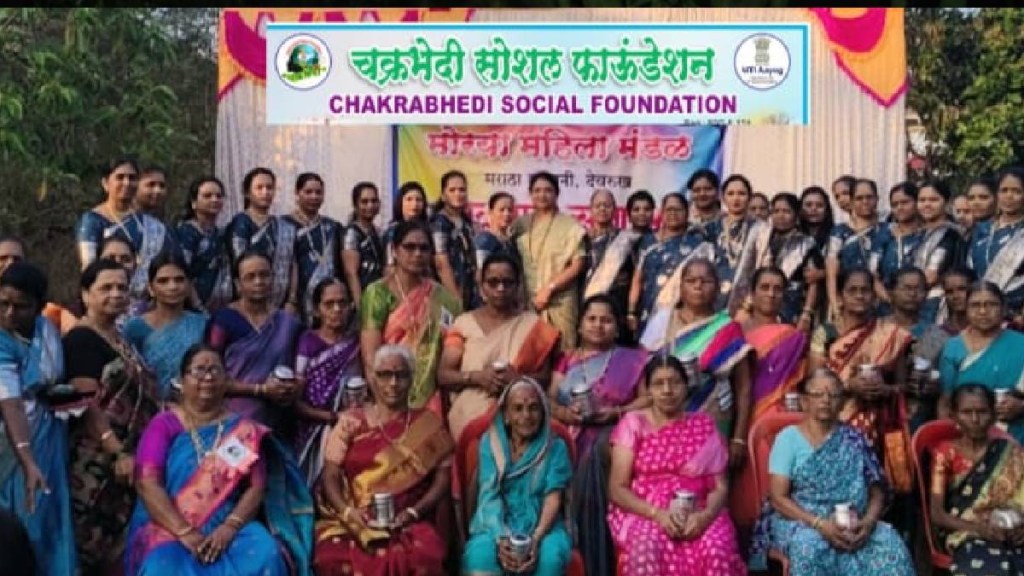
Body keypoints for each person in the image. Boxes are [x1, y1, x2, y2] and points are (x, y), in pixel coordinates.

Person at [124, 344, 312, 575]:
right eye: (199, 370)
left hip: (230, 525)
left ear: (226, 381)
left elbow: (256, 487)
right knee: (161, 567)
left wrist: (230, 527)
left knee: (267, 552)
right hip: (171, 525)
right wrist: (184, 532)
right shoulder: (163, 424)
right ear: (182, 381)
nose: (208, 377)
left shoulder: (243, 430)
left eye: (215, 370)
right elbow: (147, 483)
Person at [748, 367, 915, 576]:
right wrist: (820, 524)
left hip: (854, 522)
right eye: (818, 394)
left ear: (842, 403)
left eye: (833, 395)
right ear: (804, 402)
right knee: (808, 549)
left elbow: (877, 490)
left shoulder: (855, 438)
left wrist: (868, 523)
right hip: (804, 522)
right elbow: (778, 498)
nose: (826, 400)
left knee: (891, 543)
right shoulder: (788, 439)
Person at [312, 344, 454, 576]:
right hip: (356, 520)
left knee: (423, 556)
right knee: (331, 556)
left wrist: (414, 512)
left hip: (409, 520)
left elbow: (443, 479)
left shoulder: (429, 424)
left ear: (412, 378)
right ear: (372, 378)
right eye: (385, 375)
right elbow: (331, 474)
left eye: (401, 375)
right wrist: (347, 512)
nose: (393, 383)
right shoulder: (350, 422)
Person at [607, 354, 747, 575]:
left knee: (717, 550)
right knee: (645, 551)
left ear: (686, 386)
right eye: (658, 384)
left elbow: (719, 487)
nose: (667, 390)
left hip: (700, 510)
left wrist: (704, 517)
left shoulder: (704, 425)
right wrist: (657, 514)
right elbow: (618, 488)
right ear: (648, 391)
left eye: (674, 382)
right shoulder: (633, 424)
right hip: (645, 511)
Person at [63, 259, 161, 574]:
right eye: (106, 287)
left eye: (122, 287)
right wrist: (116, 450)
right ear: (85, 294)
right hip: (95, 459)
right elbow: (86, 403)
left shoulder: (119, 337)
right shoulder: (81, 339)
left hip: (127, 455)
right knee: (92, 542)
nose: (116, 294)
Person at [549, 294, 650, 576]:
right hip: (569, 437)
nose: (598, 325)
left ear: (617, 328)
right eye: (591, 319)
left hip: (615, 440)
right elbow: (549, 398)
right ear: (580, 325)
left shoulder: (633, 359)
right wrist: (565, 413)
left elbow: (648, 399)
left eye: (606, 320)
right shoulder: (567, 359)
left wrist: (616, 413)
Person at [0, 262, 77, 575]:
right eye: (3, 303)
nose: (9, 313)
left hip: (49, 439)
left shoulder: (47, 330)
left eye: (21, 306)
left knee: (50, 521)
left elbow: (49, 381)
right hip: (13, 446)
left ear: (40, 306)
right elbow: (11, 402)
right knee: (20, 524)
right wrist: (28, 460)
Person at [640, 258, 754, 464]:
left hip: (711, 413)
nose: (698, 286)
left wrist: (739, 437)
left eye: (706, 281)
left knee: (705, 476)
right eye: (691, 280)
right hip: (662, 414)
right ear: (681, 286)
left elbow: (743, 387)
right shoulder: (663, 320)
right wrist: (646, 415)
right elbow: (643, 371)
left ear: (718, 288)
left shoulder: (728, 328)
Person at [438, 254, 560, 442]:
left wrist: (517, 380)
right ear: (482, 286)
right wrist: (477, 377)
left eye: (507, 282)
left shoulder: (533, 325)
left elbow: (544, 377)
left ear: (517, 286)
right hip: (469, 417)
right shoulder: (463, 324)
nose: (500, 288)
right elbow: (444, 375)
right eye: (493, 282)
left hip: (519, 421)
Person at [462, 377, 573, 576]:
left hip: (544, 525)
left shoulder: (555, 447)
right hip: (495, 523)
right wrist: (501, 538)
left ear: (543, 413)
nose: (526, 415)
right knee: (480, 556)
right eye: (518, 408)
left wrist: (536, 538)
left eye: (533, 408)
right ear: (506, 415)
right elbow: (489, 495)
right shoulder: (491, 444)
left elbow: (553, 498)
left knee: (550, 558)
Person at [360, 220, 462, 413]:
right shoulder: (377, 293)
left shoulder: (444, 299)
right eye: (409, 247)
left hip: (432, 402)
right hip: (388, 397)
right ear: (394, 251)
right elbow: (371, 358)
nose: (417, 254)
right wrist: (384, 407)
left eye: (424, 248)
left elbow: (450, 356)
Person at [808, 267, 912, 450]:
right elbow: (813, 385)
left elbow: (903, 386)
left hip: (879, 428)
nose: (859, 296)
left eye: (865, 290)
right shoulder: (825, 334)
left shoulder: (891, 335)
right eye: (852, 290)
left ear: (874, 297)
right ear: (840, 297)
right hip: (834, 420)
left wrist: (884, 390)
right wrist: (849, 386)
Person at [929, 384, 1024, 576]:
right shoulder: (945, 453)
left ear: (994, 415)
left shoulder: (1011, 452)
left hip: (1010, 530)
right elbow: (937, 514)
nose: (975, 419)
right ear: (954, 416)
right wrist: (979, 529)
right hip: (966, 532)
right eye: (966, 412)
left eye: (982, 412)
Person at [206, 250, 302, 429]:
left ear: (272, 279)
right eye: (250, 277)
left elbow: (299, 372)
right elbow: (212, 377)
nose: (258, 282)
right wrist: (262, 389)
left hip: (279, 421)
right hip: (233, 423)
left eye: (264, 275)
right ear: (238, 284)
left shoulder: (288, 323)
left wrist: (291, 388)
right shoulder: (223, 321)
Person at [76, 156, 179, 317]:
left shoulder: (151, 225)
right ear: (105, 183)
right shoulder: (92, 221)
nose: (127, 183)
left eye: (132, 178)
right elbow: (89, 268)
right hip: (107, 303)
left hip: (145, 308)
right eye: (120, 177)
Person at [293, 278, 362, 486]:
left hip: (350, 428)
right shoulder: (307, 342)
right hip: (312, 429)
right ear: (316, 310)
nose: (337, 309)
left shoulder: (356, 344)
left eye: (342, 303)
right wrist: (331, 417)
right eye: (329, 304)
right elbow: (295, 400)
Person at [938, 282, 1024, 444]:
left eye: (991, 304)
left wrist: (1021, 406)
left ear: (1004, 308)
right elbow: (946, 402)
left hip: (1017, 438)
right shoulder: (954, 347)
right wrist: (951, 443)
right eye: (976, 305)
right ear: (966, 309)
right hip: (967, 438)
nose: (983, 311)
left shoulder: (1021, 344)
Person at [512, 171, 587, 352]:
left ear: (556, 194)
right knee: (528, 354)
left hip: (560, 301)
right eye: (537, 190)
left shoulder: (570, 226)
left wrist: (550, 288)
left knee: (563, 353)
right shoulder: (520, 225)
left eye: (548, 190)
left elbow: (578, 264)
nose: (542, 195)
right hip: (526, 301)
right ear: (530, 194)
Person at [626, 193, 714, 338]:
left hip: (678, 312)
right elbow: (637, 279)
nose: (673, 213)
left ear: (687, 212)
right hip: (647, 309)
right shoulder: (648, 242)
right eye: (669, 210)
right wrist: (631, 312)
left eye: (678, 210)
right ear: (662, 212)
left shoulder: (698, 245)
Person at [123, 253, 207, 402]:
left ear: (189, 286)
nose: (172, 286)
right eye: (163, 281)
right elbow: (130, 374)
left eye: (179, 280)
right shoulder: (134, 328)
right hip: (149, 406)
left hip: (197, 404)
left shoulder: (203, 324)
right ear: (151, 288)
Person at [225, 167, 299, 311]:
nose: (265, 192)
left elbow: (293, 263)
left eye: (269, 188)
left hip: (280, 304)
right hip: (247, 302)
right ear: (248, 193)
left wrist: (291, 299)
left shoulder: (283, 226)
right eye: (259, 188)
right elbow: (238, 264)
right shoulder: (240, 223)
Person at [744, 193, 820, 328]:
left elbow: (813, 283)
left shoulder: (806, 243)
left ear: (796, 215)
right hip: (758, 305)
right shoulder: (761, 239)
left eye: (786, 211)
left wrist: (807, 313)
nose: (780, 216)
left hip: (791, 306)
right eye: (776, 211)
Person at [703, 173, 771, 313]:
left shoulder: (761, 229)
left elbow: (765, 268)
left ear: (749, 197)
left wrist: (750, 302)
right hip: (711, 300)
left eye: (741, 193)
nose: (736, 198)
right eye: (731, 194)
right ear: (723, 198)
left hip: (747, 304)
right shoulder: (710, 229)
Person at [285, 172, 343, 321]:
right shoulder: (284, 225)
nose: (314, 196)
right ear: (297, 193)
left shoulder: (333, 227)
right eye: (308, 192)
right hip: (294, 299)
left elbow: (341, 266)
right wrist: (291, 300)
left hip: (329, 299)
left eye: (318, 192)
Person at [967, 167, 1024, 319]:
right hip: (979, 311)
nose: (1009, 196)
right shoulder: (982, 230)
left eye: (1016, 191)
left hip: (1015, 316)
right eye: (1004, 190)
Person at [826, 178, 883, 321]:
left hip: (881, 300)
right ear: (851, 201)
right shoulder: (839, 232)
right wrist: (834, 302)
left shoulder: (888, 229)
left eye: (869, 197)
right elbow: (831, 271)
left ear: (877, 199)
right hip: (849, 298)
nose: (865, 202)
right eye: (859, 198)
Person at [583, 189, 641, 325]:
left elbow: (636, 277)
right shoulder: (582, 239)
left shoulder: (628, 240)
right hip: (588, 305)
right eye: (598, 206)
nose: (602, 209)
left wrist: (632, 311)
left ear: (615, 209)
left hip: (618, 307)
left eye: (607, 205)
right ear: (591, 210)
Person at [176, 176, 233, 313]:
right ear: (194, 203)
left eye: (219, 196)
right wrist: (198, 307)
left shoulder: (221, 234)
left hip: (220, 309)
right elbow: (183, 272)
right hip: (193, 310)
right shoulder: (187, 233)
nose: (214, 199)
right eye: (207, 196)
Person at [914, 180, 966, 324]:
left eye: (933, 200)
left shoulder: (950, 234)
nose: (927, 204)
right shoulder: (920, 233)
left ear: (947, 203)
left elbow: (931, 275)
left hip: (937, 301)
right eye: (922, 200)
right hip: (917, 298)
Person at [431, 170, 478, 311]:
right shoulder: (440, 222)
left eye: (462, 190)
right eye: (452, 190)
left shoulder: (466, 223)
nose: (458, 194)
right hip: (448, 294)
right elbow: (441, 263)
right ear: (443, 195)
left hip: (469, 291)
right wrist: (455, 299)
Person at [872, 182, 921, 316]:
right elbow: (872, 274)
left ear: (917, 202)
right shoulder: (884, 234)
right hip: (887, 306)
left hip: (921, 305)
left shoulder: (927, 235)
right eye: (894, 204)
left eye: (905, 202)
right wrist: (890, 300)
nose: (899, 208)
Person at [340, 181, 385, 308]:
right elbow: (351, 273)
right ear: (355, 205)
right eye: (364, 202)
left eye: (374, 201)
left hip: (379, 296)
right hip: (362, 298)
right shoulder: (351, 233)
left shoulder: (378, 232)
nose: (370, 205)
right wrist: (361, 307)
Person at [382, 181, 430, 276]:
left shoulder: (428, 229)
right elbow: (390, 266)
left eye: (418, 200)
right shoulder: (393, 231)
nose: (414, 204)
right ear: (400, 203)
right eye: (409, 199)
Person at [473, 191, 520, 279]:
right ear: (491, 212)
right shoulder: (485, 240)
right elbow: (480, 273)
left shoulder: (512, 242)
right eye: (501, 210)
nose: (506, 214)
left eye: (510, 210)